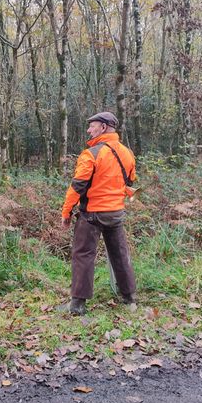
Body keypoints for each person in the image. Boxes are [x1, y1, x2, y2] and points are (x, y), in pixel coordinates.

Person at [58, 111, 137, 316]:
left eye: (92, 126)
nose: (88, 130)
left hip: (92, 215)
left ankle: (77, 304)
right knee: (120, 254)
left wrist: (66, 212)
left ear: (103, 127)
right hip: (116, 213)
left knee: (83, 254)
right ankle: (129, 298)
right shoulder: (127, 153)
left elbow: (77, 186)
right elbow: (128, 181)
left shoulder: (90, 154)